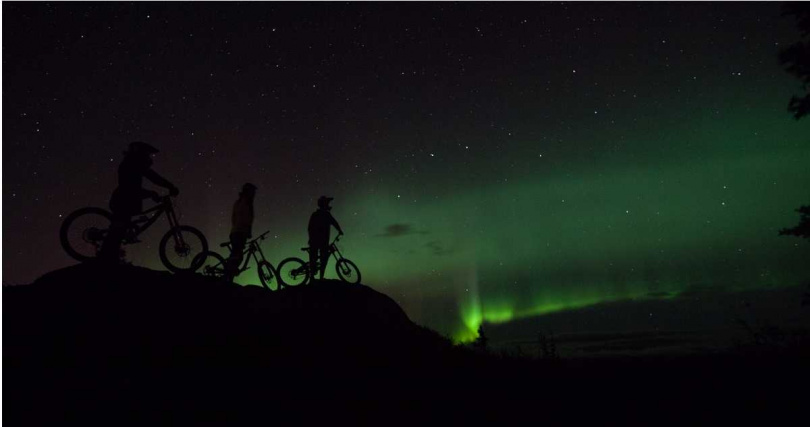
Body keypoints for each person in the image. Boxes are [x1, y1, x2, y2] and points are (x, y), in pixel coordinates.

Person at [99, 141, 179, 262]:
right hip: (123, 200)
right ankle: (106, 258)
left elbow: (149, 178)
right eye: (147, 154)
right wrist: (167, 188)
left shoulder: (132, 163)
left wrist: (156, 191)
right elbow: (144, 182)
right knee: (118, 228)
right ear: (140, 154)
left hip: (124, 199)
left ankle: (109, 257)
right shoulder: (133, 164)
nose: (149, 158)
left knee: (121, 228)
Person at [225, 183, 257, 282]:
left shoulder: (238, 202)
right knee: (237, 255)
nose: (254, 194)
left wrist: (237, 227)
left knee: (236, 254)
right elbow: (248, 218)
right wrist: (246, 230)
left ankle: (228, 275)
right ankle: (227, 276)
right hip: (240, 232)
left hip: (235, 231)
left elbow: (234, 218)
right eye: (253, 191)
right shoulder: (247, 202)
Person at [308, 196, 344, 281]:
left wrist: (311, 238)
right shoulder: (326, 215)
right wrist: (340, 231)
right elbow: (335, 223)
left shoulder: (316, 214)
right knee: (323, 259)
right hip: (322, 241)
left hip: (315, 241)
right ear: (324, 205)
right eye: (327, 203)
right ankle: (319, 277)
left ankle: (313, 277)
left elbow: (310, 228)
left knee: (314, 258)